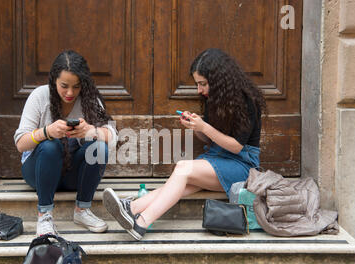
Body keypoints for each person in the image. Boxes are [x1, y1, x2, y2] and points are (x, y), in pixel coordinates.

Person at [103, 48, 266, 240]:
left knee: (182, 169)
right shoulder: (215, 98)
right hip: (217, 159)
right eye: (198, 84)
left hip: (242, 166)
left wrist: (204, 127)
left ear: (219, 79)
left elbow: (237, 146)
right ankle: (132, 208)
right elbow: (209, 138)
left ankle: (141, 222)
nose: (199, 90)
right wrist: (196, 127)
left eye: (203, 84)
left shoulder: (247, 101)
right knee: (176, 184)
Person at [14, 50, 118, 237]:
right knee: (50, 145)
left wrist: (91, 131)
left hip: (72, 176)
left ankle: (82, 211)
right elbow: (21, 144)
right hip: (38, 173)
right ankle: (44, 216)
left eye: (76, 87)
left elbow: (113, 137)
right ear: (54, 81)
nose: (70, 93)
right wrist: (47, 132)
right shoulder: (40, 96)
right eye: (64, 86)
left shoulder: (89, 99)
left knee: (98, 146)